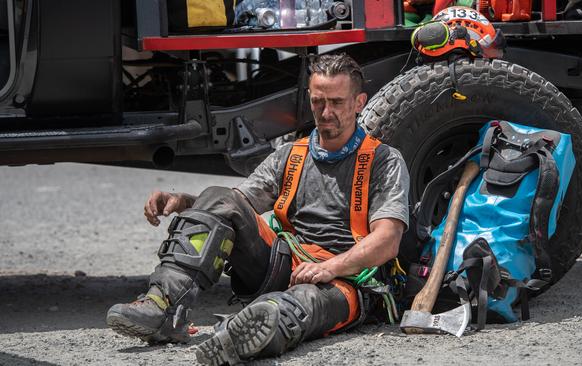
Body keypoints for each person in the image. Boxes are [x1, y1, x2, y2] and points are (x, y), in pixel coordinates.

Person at [106, 53, 410, 365]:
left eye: (336, 101)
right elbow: (233, 206)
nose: (326, 111)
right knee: (218, 195)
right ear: (309, 98)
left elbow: (387, 240)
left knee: (304, 301)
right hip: (285, 265)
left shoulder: (384, 161)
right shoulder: (291, 155)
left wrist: (329, 269)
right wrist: (183, 202)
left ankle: (253, 330)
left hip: (346, 281)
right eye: (318, 101)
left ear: (359, 102)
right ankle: (163, 304)